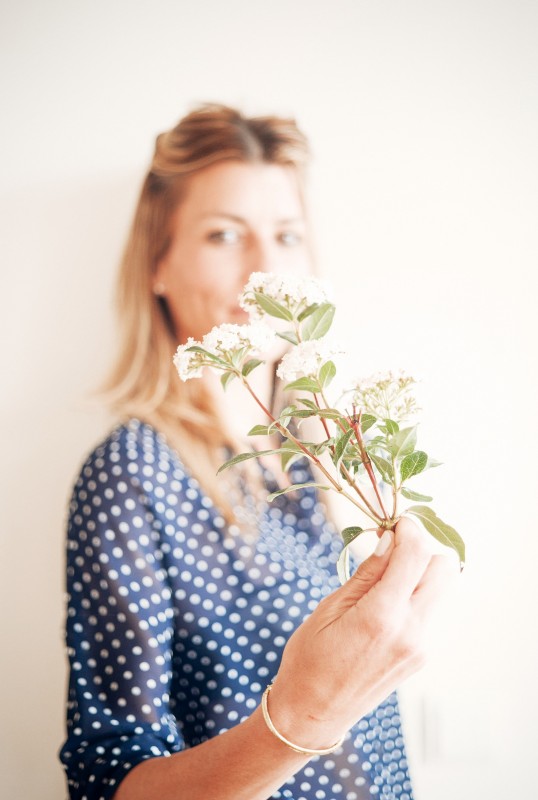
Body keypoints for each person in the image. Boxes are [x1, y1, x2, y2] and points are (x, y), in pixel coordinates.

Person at [59, 103, 457, 800]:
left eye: (287, 235)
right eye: (224, 235)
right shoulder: (134, 474)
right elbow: (110, 785)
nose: (265, 269)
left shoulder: (330, 461)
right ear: (158, 264)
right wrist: (304, 716)